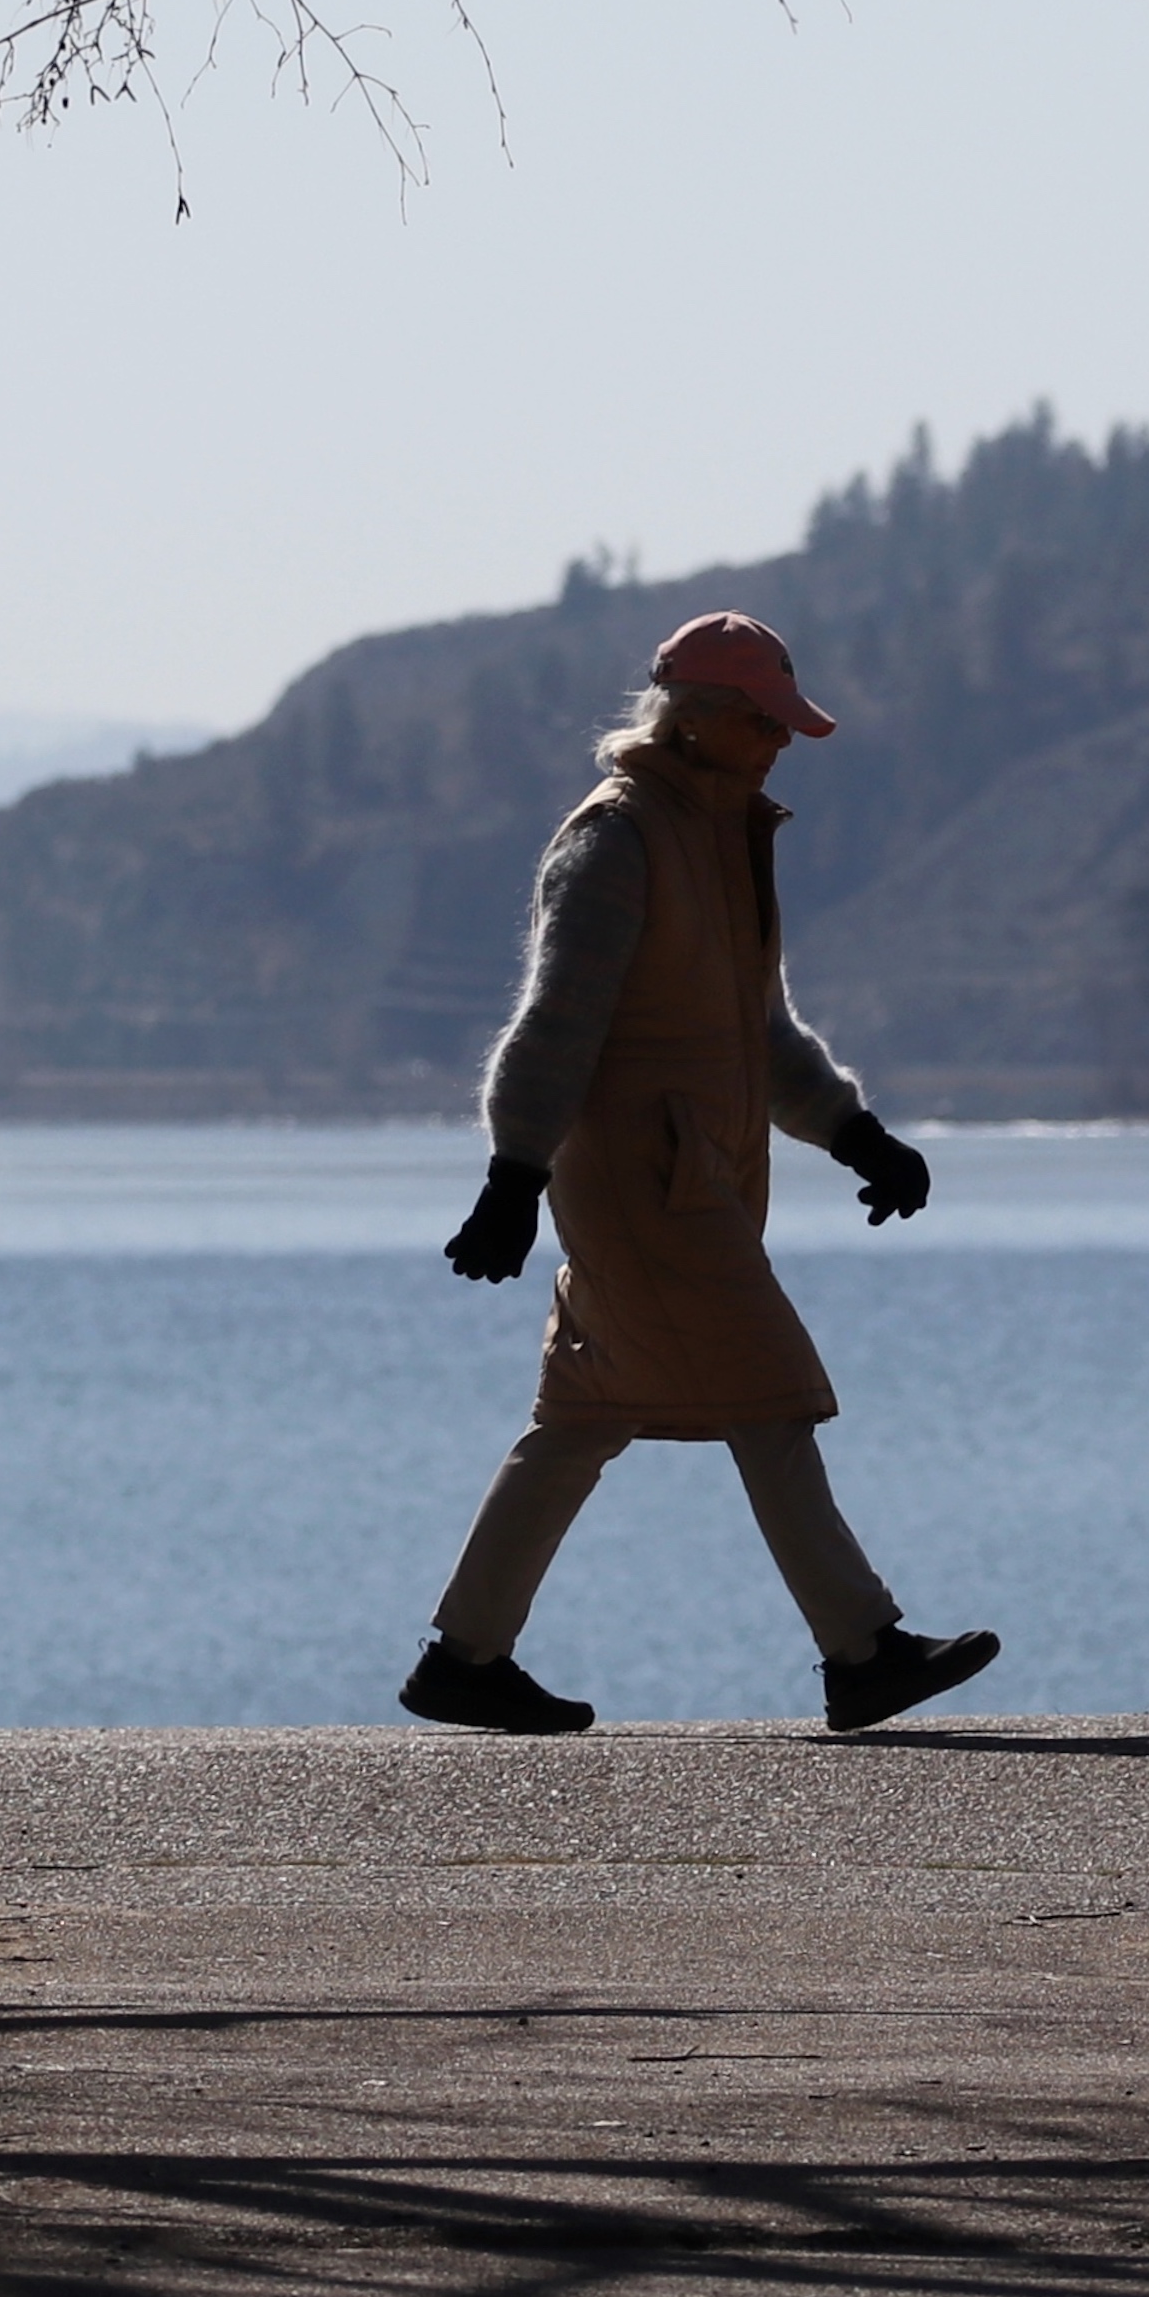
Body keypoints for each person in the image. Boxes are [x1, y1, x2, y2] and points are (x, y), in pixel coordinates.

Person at [402, 610, 1001, 1739]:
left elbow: (754, 1030)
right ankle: (861, 1649)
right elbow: (557, 1018)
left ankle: (464, 1659)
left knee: (584, 1416)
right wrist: (512, 1175)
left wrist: (856, 1133)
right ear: (703, 719)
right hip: (639, 1176)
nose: (782, 744)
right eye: (767, 723)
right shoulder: (618, 837)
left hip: (691, 1173)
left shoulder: (719, 833)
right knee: (768, 1390)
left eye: (785, 726)